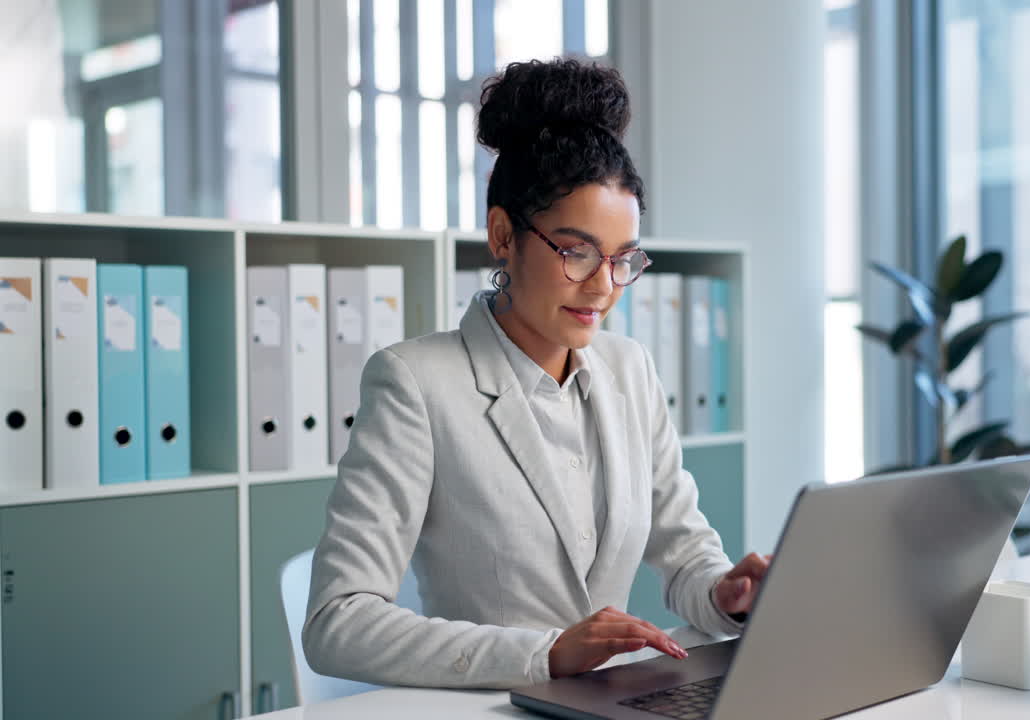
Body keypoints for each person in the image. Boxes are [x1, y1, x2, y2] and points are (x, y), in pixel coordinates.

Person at [302, 57, 770, 690]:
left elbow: (686, 554)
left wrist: (725, 593)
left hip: (607, 702)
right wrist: (542, 654)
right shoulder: (415, 384)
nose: (602, 287)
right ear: (503, 235)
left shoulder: (630, 370)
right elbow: (337, 622)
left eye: (623, 259)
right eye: (576, 252)